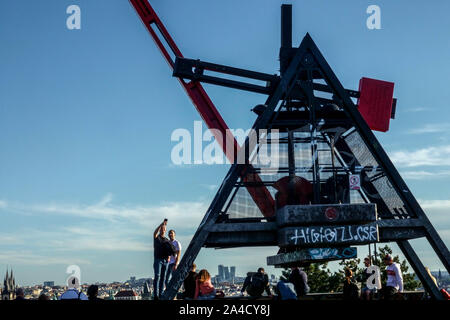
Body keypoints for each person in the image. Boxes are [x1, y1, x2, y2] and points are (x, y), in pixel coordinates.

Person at [153, 219, 171, 300]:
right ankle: (156, 295)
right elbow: (155, 232)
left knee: (163, 278)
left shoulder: (167, 240)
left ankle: (161, 294)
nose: (163, 230)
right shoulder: (157, 238)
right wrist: (161, 224)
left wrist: (169, 257)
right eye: (162, 229)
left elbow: (169, 250)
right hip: (158, 260)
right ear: (160, 229)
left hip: (165, 261)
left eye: (164, 229)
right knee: (157, 276)